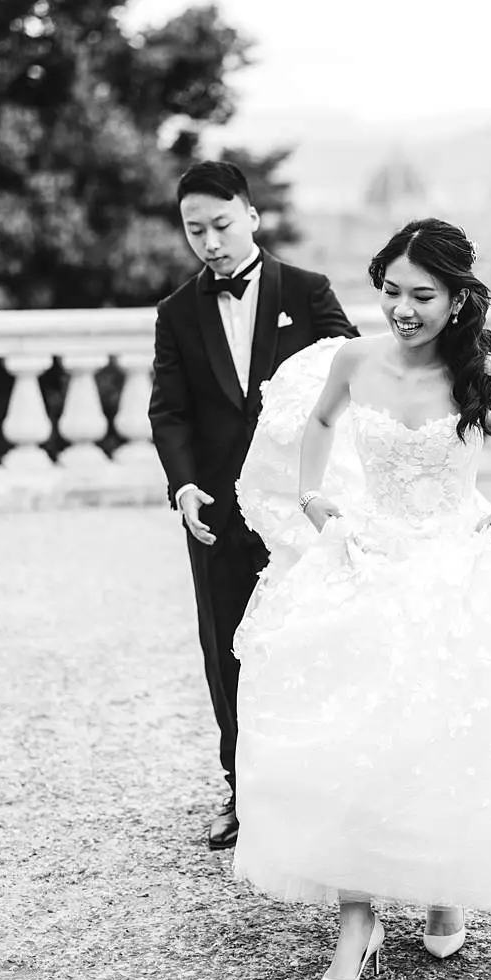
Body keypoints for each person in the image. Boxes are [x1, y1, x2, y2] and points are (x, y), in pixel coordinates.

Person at [230, 218, 491, 980]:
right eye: (391, 291)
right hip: (368, 555)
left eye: (422, 295)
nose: (402, 308)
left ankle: (443, 882)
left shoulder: (482, 369)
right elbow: (320, 420)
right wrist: (313, 495)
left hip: (454, 563)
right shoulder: (356, 358)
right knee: (354, 730)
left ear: (458, 298)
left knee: (445, 726)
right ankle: (357, 923)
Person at [147, 160, 358, 850]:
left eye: (220, 224)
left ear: (251, 217)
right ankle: (243, 792)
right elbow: (169, 413)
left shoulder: (309, 290)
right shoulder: (176, 313)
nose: (208, 242)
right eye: (194, 230)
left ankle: (319, 785)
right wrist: (183, 487)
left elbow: (356, 377)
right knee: (227, 649)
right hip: (217, 510)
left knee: (312, 641)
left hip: (299, 505)